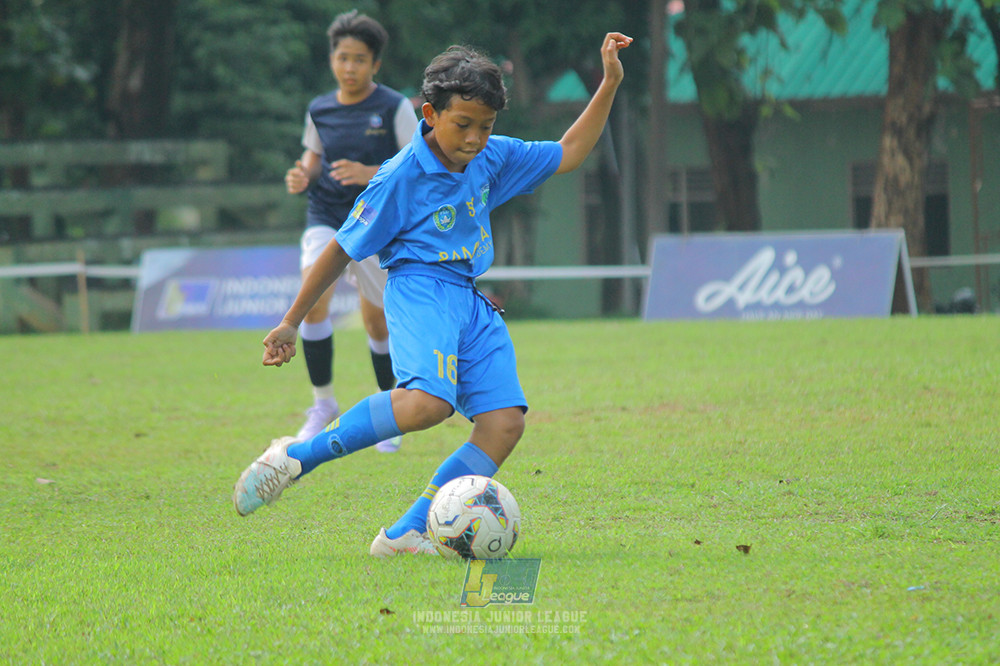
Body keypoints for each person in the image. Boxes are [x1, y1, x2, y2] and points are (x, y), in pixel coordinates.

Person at [234, 32, 633, 557]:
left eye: (485, 127)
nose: (473, 138)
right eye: (462, 124)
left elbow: (570, 151)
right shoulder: (399, 177)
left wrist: (607, 83)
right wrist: (290, 321)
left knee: (504, 423)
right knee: (427, 404)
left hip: (471, 298)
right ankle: (295, 458)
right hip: (421, 290)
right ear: (429, 113)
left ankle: (405, 534)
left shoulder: (491, 157)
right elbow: (341, 248)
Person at [286, 10, 418, 449]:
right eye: (343, 57)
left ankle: (387, 411)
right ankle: (323, 404)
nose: (350, 67)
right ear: (332, 59)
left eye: (360, 59)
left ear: (375, 64)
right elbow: (312, 160)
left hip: (376, 224)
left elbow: (418, 167)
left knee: (377, 322)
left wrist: (368, 173)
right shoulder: (319, 109)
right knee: (313, 298)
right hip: (326, 218)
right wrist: (301, 175)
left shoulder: (394, 107)